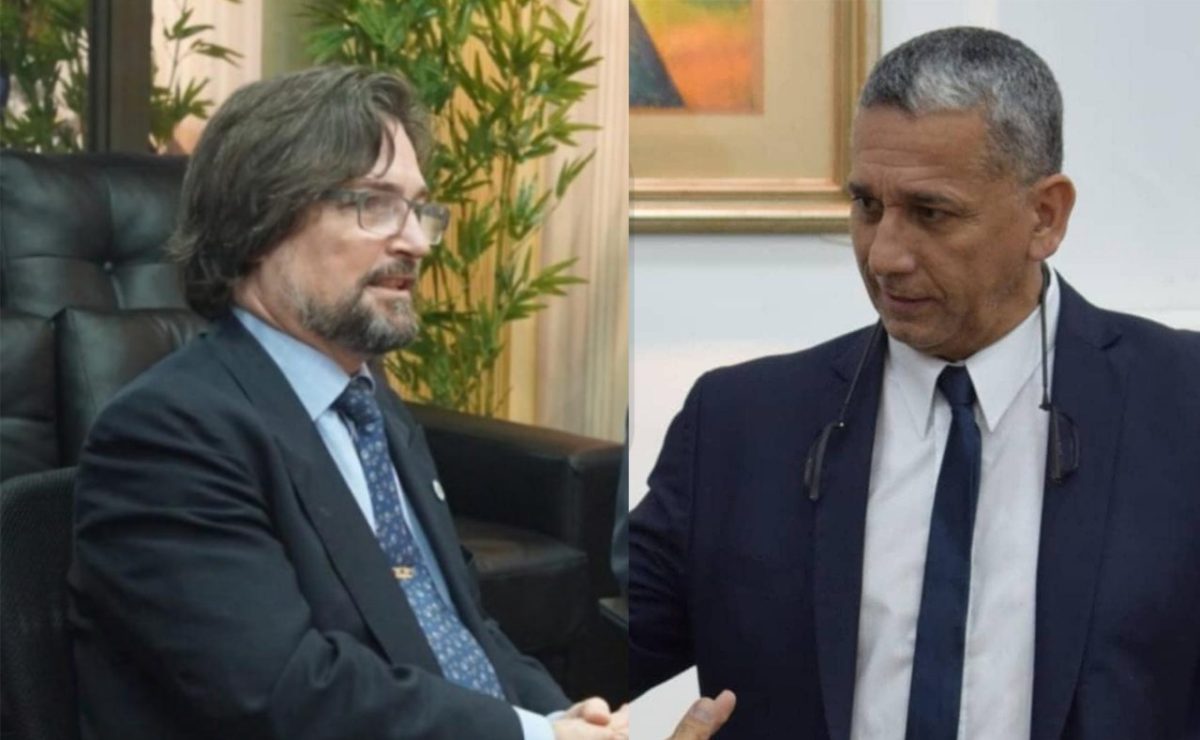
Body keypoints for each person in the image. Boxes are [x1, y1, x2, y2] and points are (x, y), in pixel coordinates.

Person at [630, 27, 1200, 739]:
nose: (885, 256)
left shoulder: (1181, 405)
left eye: (931, 213)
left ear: (1045, 216)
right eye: (868, 207)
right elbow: (581, 663)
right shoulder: (740, 424)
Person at [67, 66, 629, 740]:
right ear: (262, 219)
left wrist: (560, 715)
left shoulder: (370, 404)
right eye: (375, 204)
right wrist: (529, 737)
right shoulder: (168, 435)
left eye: (419, 209)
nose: (416, 242)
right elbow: (284, 692)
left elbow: (457, 623)